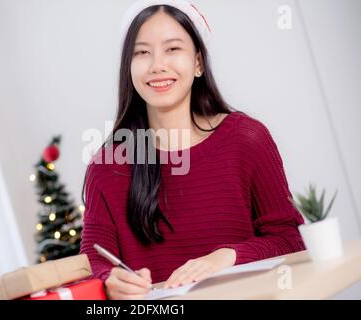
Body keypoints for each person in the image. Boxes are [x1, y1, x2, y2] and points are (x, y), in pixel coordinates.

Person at [79, 0, 305, 300]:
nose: (157, 64)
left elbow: (292, 239)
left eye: (172, 49)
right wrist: (110, 280)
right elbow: (93, 262)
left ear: (198, 63)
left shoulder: (247, 139)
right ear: (129, 68)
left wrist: (227, 257)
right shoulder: (107, 168)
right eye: (142, 52)